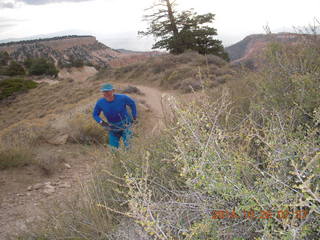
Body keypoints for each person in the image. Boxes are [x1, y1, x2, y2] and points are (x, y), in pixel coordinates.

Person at [93, 83, 137, 149]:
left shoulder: (122, 98)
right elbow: (95, 114)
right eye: (104, 91)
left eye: (107, 91)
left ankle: (130, 158)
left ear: (113, 91)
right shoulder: (100, 102)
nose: (105, 93)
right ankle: (117, 159)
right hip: (112, 128)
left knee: (129, 147)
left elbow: (132, 103)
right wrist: (102, 123)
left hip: (126, 125)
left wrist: (134, 116)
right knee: (113, 150)